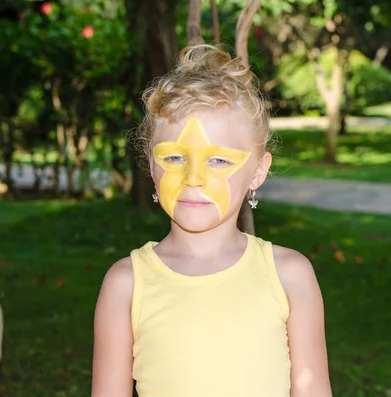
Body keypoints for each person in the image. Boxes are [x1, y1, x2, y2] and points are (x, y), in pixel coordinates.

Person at [91, 45, 332, 397]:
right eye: (174, 157)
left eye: (218, 160)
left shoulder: (290, 275)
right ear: (151, 166)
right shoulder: (126, 284)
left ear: (258, 171)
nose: (193, 178)